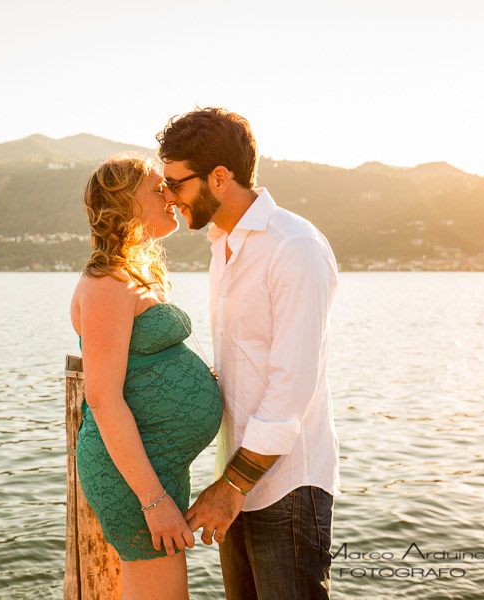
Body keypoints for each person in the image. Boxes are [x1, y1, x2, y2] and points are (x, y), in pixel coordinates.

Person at [158, 107, 339, 599]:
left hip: (285, 489)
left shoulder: (293, 246)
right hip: (236, 481)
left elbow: (290, 389)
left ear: (220, 177)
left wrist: (230, 488)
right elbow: (244, 366)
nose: (169, 198)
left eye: (176, 183)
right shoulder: (223, 244)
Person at [70, 154, 223, 599]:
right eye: (158, 189)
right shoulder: (106, 284)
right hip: (136, 477)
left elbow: (140, 364)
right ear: (125, 205)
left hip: (159, 462)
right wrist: (154, 502)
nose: (170, 196)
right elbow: (102, 399)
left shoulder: (132, 276)